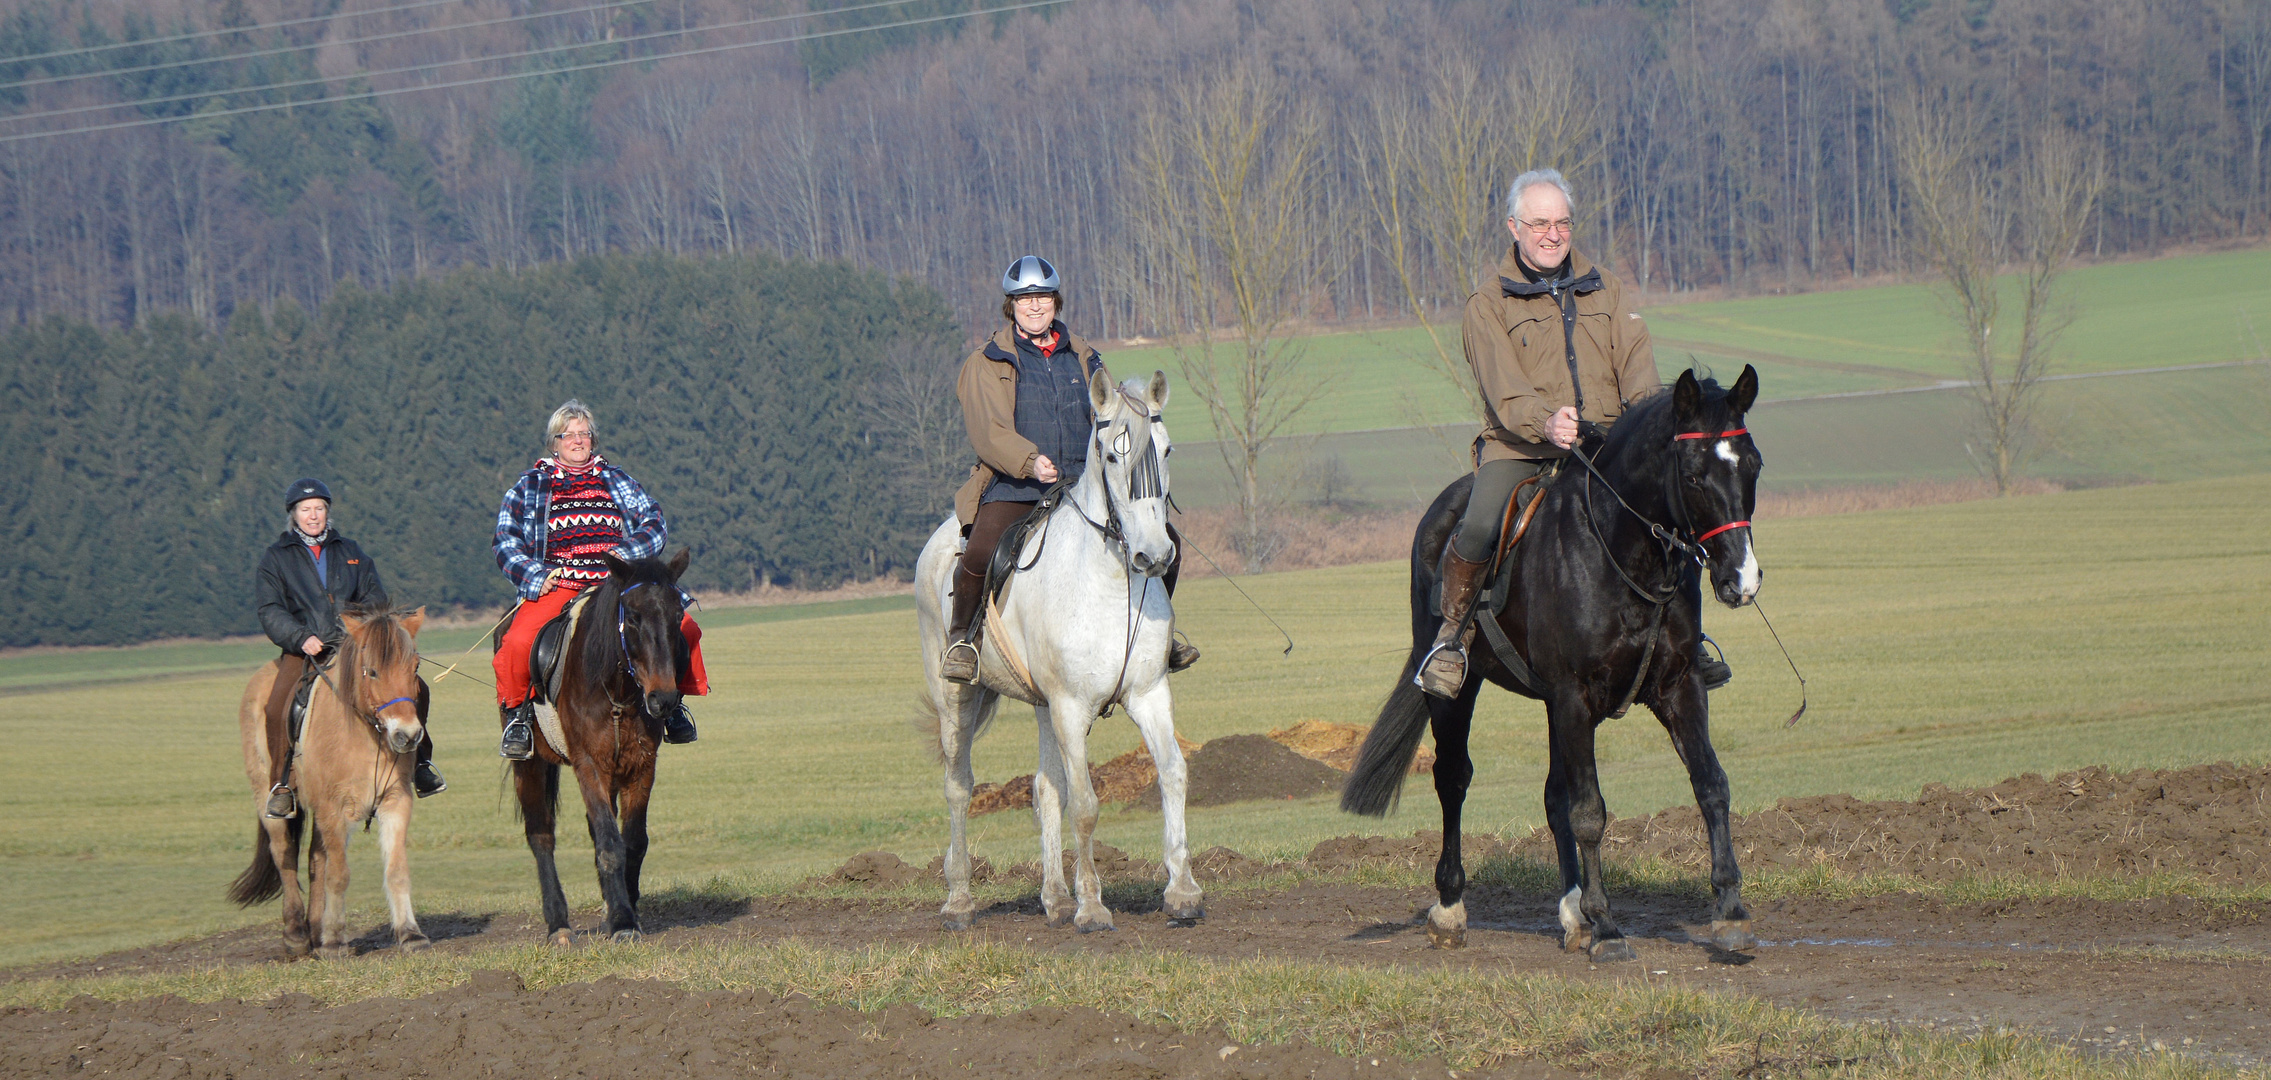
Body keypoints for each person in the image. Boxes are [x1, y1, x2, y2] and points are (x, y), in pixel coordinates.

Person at [1417, 169, 1731, 699]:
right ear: (1513, 226)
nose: (1553, 234)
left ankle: (1689, 635)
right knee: (1477, 523)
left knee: (1678, 504)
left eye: (1562, 222)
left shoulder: (1608, 288)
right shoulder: (1487, 305)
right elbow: (1503, 389)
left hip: (1607, 447)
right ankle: (1453, 637)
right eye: (1539, 222)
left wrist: (1647, 424)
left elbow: (1637, 370)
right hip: (1522, 448)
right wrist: (1545, 420)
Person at [940, 255, 1200, 684]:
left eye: (1042, 297)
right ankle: (962, 640)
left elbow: (1112, 413)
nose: (1035, 306)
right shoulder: (986, 362)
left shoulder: (1083, 355)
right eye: (1025, 299)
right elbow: (988, 430)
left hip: (1081, 482)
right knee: (982, 550)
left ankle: (1159, 634)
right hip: (1015, 485)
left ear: (1056, 302)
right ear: (1011, 306)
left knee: (1165, 541)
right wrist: (1029, 461)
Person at [492, 400, 705, 759]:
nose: (577, 441)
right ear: (554, 442)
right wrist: (534, 576)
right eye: (569, 435)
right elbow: (505, 539)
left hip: (616, 584)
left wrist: (628, 554)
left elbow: (654, 521)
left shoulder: (617, 479)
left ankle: (674, 708)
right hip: (559, 583)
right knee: (517, 642)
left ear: (593, 440)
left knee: (684, 628)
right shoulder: (530, 485)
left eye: (584, 434)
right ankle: (519, 717)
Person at [254, 477, 444, 819]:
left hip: (355, 648)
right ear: (293, 515)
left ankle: (421, 764)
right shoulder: (276, 558)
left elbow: (374, 595)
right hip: (306, 650)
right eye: (306, 510)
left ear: (328, 512)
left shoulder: (351, 551)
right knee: (277, 706)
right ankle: (282, 783)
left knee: (417, 689)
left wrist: (367, 632)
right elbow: (270, 610)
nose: (313, 516)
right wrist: (300, 637)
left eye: (319, 509)